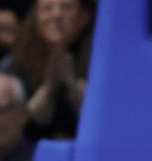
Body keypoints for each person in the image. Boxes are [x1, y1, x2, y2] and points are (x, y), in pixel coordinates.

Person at [9, 0, 92, 140]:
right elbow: (20, 124)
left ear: (85, 16)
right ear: (36, 17)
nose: (56, 15)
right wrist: (48, 88)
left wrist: (72, 84)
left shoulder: (102, 57)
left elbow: (101, 117)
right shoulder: (18, 62)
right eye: (47, 9)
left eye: (66, 7)